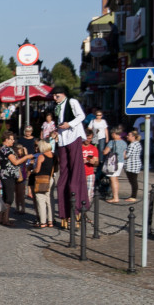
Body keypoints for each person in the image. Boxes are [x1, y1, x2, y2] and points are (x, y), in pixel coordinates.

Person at [51, 85, 88, 224]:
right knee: (63, 176)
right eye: (54, 96)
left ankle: (77, 209)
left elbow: (81, 116)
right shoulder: (57, 107)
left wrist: (70, 124)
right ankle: (64, 212)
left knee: (75, 175)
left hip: (73, 136)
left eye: (57, 96)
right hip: (62, 139)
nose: (55, 98)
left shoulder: (72, 102)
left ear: (64, 94)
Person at [29, 140, 56, 228]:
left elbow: (37, 169)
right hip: (51, 178)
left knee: (41, 200)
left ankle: (43, 222)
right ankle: (51, 221)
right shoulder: (54, 155)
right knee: (49, 200)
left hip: (41, 179)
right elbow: (56, 168)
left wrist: (32, 170)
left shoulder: (41, 156)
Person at [103, 127, 127, 203]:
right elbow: (124, 155)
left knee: (113, 180)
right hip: (121, 162)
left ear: (114, 134)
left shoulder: (112, 142)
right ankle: (116, 195)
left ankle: (115, 197)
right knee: (116, 179)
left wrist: (102, 151)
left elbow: (105, 152)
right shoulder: (124, 142)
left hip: (113, 162)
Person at [82, 129, 99, 206]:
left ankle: (85, 211)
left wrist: (94, 162)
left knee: (89, 194)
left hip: (90, 173)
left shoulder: (93, 148)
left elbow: (97, 162)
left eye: (90, 138)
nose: (89, 140)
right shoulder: (79, 147)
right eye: (87, 138)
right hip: (80, 173)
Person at [124, 129, 142, 202]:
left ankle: (133, 196)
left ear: (133, 137)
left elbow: (127, 156)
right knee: (134, 180)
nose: (127, 136)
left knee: (133, 181)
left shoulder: (132, 145)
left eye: (129, 135)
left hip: (131, 165)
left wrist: (123, 152)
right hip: (136, 164)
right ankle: (133, 195)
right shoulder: (137, 143)